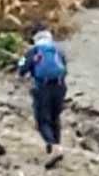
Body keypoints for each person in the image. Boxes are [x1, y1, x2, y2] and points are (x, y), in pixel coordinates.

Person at [16, 27, 67, 165]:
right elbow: (64, 66)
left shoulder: (33, 51)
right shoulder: (57, 50)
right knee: (55, 117)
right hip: (60, 87)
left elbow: (21, 67)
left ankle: (54, 147)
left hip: (43, 88)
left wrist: (24, 66)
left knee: (42, 119)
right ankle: (56, 145)